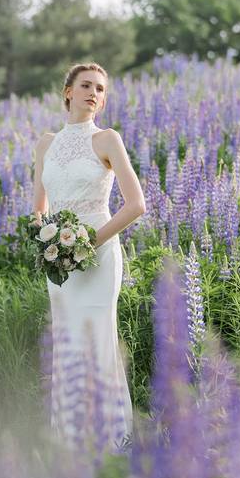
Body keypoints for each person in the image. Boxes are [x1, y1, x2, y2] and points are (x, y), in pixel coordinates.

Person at [32, 61, 146, 454]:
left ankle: (111, 452)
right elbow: (38, 209)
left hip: (98, 258)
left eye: (100, 89)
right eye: (86, 85)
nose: (93, 94)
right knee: (68, 353)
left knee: (96, 345)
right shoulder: (46, 143)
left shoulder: (107, 140)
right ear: (68, 92)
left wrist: (86, 244)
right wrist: (50, 243)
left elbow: (135, 206)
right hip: (59, 265)